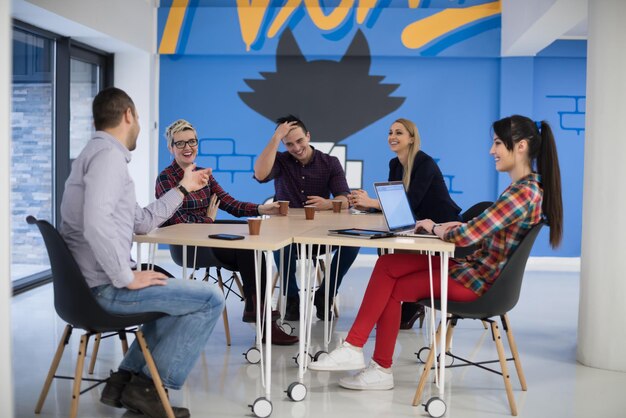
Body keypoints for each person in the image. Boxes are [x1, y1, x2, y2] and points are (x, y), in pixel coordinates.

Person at [309, 115, 563, 392]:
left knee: (388, 272)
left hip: (477, 284)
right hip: (474, 272)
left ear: (521, 146)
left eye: (498, 143)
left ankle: (368, 357)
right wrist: (456, 226)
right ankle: (366, 357)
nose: (492, 151)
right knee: (388, 265)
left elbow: (466, 237)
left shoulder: (523, 193)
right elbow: (481, 230)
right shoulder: (525, 189)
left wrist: (436, 228)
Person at [60, 87, 224, 418]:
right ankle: (148, 388)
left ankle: (123, 381)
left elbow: (143, 221)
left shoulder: (96, 157)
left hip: (86, 289)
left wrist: (183, 189)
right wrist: (126, 277)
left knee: (168, 290)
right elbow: (95, 222)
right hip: (104, 289)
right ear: (128, 116)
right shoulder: (108, 158)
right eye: (138, 120)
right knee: (210, 299)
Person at [155, 118, 298, 345]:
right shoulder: (166, 179)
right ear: (170, 148)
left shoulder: (204, 174)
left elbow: (229, 203)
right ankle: (260, 316)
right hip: (189, 247)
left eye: (192, 141)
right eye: (180, 143)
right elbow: (178, 223)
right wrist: (209, 219)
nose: (187, 147)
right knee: (245, 246)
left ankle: (258, 312)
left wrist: (262, 208)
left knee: (252, 241)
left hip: (210, 239)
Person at [348, 118, 461, 329]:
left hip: (439, 224)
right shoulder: (394, 164)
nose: (392, 137)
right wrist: (368, 205)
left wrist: (373, 201)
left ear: (411, 138)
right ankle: (399, 302)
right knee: (385, 247)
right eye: (390, 132)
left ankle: (410, 304)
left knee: (397, 250)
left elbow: (409, 202)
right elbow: (395, 198)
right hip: (415, 223)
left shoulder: (424, 163)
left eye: (399, 133)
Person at [253, 115, 360, 321]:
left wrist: (328, 204)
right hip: (287, 236)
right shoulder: (281, 161)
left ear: (308, 136)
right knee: (280, 245)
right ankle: (292, 297)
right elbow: (259, 174)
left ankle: (325, 294)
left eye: (300, 141)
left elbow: (345, 198)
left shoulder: (329, 162)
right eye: (289, 144)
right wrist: (276, 138)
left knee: (352, 243)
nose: (296, 148)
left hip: (320, 235)